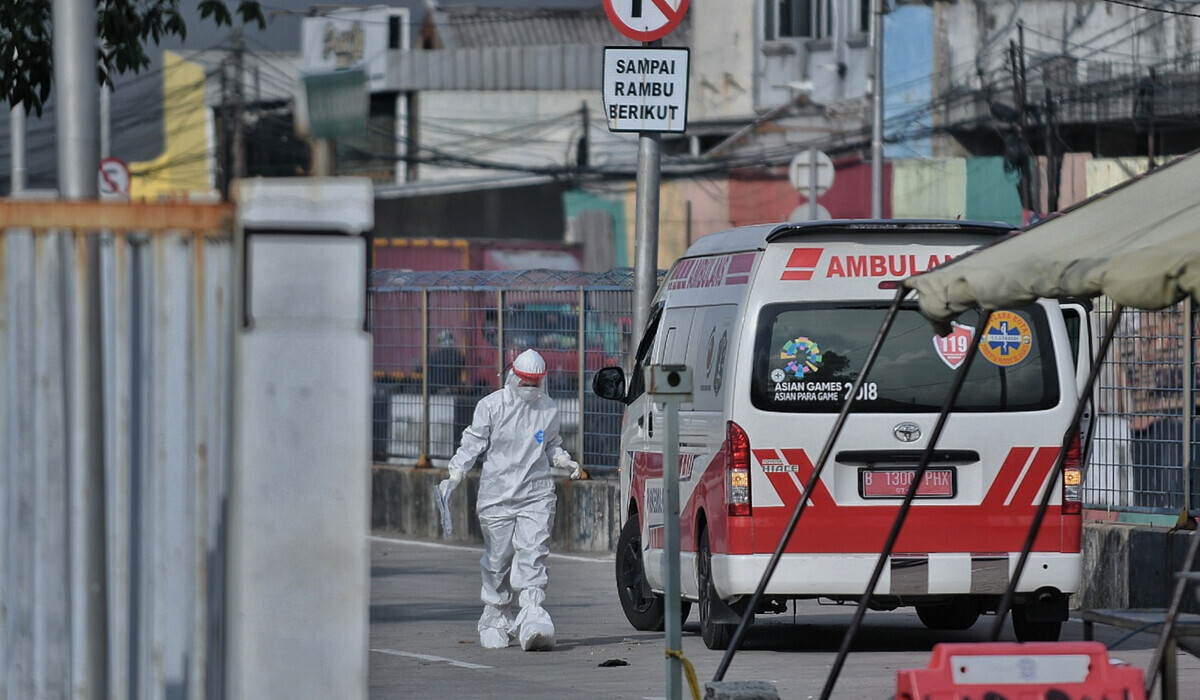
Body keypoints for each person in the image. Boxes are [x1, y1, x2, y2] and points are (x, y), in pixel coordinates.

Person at [437, 349, 584, 651]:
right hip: (498, 494)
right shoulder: (491, 406)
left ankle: (532, 616)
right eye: (525, 382)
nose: (530, 389)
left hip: (536, 492)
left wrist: (565, 460)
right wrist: (455, 473)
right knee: (497, 560)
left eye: (535, 383)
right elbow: (472, 443)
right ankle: (495, 616)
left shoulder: (548, 409)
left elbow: (551, 443)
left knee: (534, 552)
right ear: (513, 375)